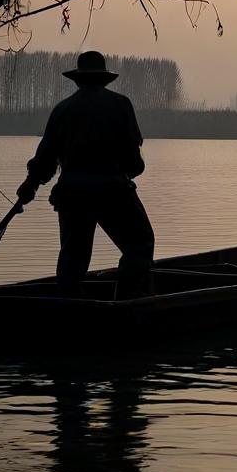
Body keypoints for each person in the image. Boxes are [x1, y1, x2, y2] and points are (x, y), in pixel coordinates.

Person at [16, 51, 155, 299]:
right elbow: (133, 163)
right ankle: (128, 302)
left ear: (78, 80)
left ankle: (69, 308)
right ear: (104, 80)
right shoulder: (120, 105)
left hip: (72, 196)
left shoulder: (62, 110)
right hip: (112, 192)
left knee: (73, 259)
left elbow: (45, 158)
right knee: (140, 244)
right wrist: (131, 168)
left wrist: (30, 185)